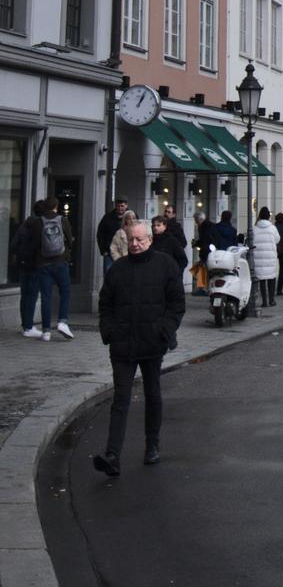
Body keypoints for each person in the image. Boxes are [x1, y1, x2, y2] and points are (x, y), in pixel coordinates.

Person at [93, 220, 184, 476]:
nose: (134, 244)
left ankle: (152, 444)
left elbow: (176, 303)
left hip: (152, 342)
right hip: (122, 344)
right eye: (130, 239)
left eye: (139, 240)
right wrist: (108, 331)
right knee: (120, 400)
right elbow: (106, 303)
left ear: (149, 240)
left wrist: (164, 331)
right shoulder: (118, 269)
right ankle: (112, 455)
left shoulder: (165, 265)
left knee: (152, 394)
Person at [34, 196, 75, 342]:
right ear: (56, 206)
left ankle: (46, 331)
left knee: (46, 296)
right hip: (60, 261)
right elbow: (70, 241)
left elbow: (35, 243)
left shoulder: (39, 221)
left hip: (43, 264)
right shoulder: (62, 220)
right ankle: (62, 322)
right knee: (65, 291)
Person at [11, 200, 45, 337]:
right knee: (32, 295)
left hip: (23, 262)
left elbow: (14, 244)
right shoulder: (41, 225)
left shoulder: (25, 224)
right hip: (36, 264)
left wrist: (19, 255)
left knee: (24, 295)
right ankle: (29, 327)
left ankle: (25, 325)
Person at [252, 206, 279, 306]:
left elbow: (251, 241)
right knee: (271, 278)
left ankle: (264, 301)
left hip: (258, 257)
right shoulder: (273, 228)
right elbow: (277, 239)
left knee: (262, 280)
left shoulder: (254, 228)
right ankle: (272, 299)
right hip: (270, 257)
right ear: (268, 216)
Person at [96, 197, 128, 273]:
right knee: (109, 272)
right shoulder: (108, 217)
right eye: (118, 206)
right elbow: (100, 234)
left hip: (126, 251)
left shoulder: (131, 216)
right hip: (110, 252)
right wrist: (103, 250)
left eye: (122, 206)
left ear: (126, 206)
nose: (120, 208)